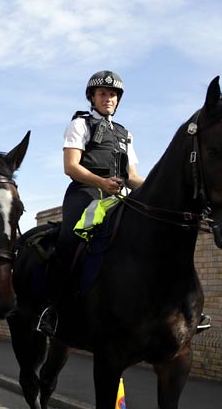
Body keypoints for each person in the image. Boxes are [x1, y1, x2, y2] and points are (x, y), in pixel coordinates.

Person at [36, 70, 144, 336]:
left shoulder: (124, 134)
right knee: (69, 242)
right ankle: (54, 309)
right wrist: (101, 182)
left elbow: (131, 177)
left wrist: (155, 189)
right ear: (92, 98)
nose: (109, 98)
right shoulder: (80, 125)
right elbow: (70, 166)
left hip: (117, 197)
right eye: (103, 94)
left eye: (113, 95)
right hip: (85, 192)